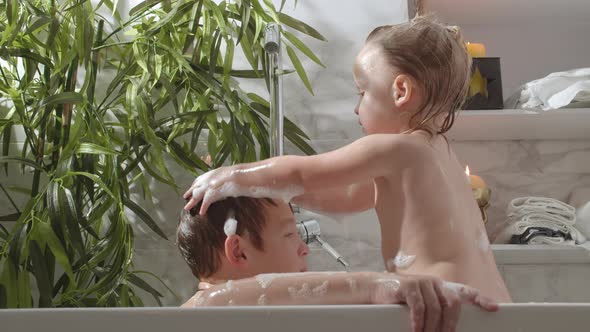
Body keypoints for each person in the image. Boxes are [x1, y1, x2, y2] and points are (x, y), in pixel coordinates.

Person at [182, 15, 512, 304]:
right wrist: (274, 195)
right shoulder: (437, 155)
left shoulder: (394, 149)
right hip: (489, 304)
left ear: (401, 92)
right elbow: (347, 197)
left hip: (445, 306)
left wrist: (232, 176)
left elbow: (302, 173)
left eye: (362, 92)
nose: (357, 108)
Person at [177, 196, 498, 332]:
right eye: (290, 235)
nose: (305, 248)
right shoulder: (206, 305)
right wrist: (377, 285)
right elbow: (240, 296)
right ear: (239, 251)